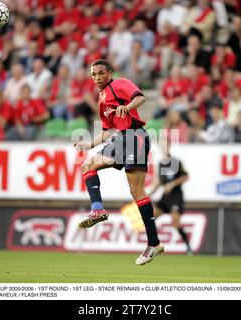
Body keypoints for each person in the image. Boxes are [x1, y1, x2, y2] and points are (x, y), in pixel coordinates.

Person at [73, 59, 164, 266]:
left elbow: (140, 97)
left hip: (135, 136)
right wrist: (89, 145)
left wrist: (128, 107)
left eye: (100, 73)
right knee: (88, 164)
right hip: (120, 138)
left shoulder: (120, 84)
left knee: (137, 191)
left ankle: (153, 243)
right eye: (93, 74)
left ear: (110, 72)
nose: (97, 78)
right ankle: (98, 209)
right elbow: (106, 130)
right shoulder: (102, 98)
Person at [149, 138, 191, 254]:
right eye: (162, 145)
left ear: (169, 146)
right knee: (151, 217)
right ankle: (154, 244)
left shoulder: (176, 161)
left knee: (175, 221)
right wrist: (149, 194)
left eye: (166, 145)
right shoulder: (161, 163)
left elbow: (186, 177)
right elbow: (158, 182)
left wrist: (172, 184)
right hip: (165, 197)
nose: (164, 148)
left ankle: (188, 247)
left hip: (176, 196)